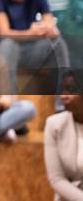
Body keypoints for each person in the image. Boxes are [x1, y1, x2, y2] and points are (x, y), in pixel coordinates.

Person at [0, 0, 70, 94]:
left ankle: (63, 98)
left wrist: (43, 29)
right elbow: (4, 33)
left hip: (28, 52)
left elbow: (53, 30)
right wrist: (32, 33)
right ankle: (8, 102)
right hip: (3, 52)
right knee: (9, 44)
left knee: (57, 42)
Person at [44, 71, 83, 200]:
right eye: (62, 90)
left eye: (70, 90)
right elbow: (56, 179)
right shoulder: (54, 124)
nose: (63, 96)